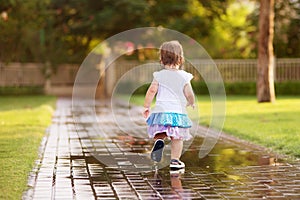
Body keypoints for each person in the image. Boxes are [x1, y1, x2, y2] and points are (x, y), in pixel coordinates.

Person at [143, 40, 195, 169]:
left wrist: (147, 106)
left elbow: (152, 90)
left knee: (161, 131)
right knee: (177, 137)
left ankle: (159, 141)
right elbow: (189, 93)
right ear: (181, 58)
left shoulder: (159, 75)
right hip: (178, 112)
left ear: (161, 59)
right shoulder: (184, 76)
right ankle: (175, 161)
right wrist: (191, 102)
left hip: (161, 111)